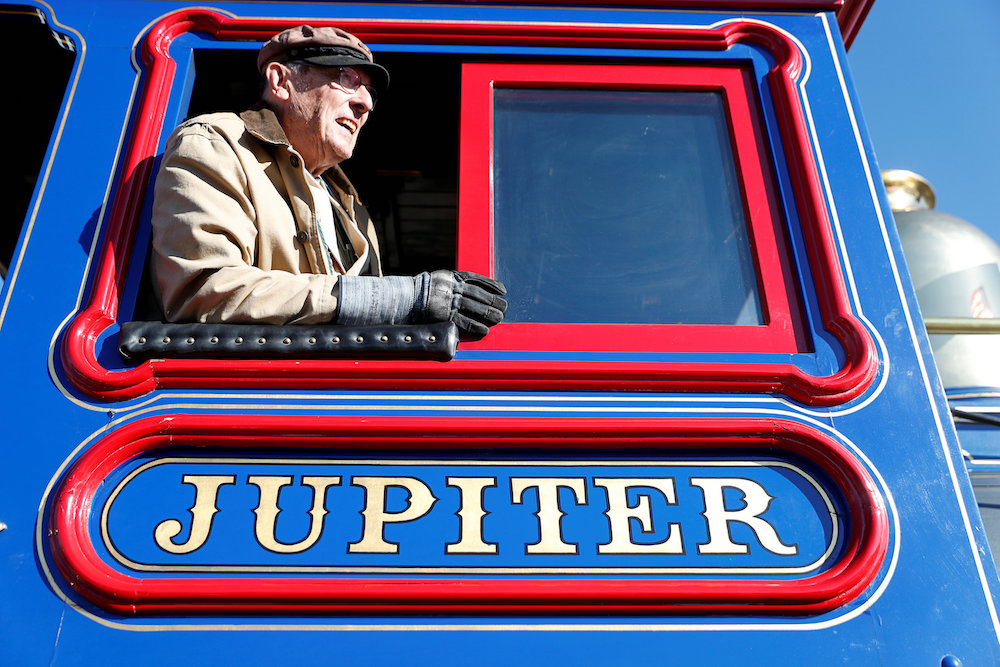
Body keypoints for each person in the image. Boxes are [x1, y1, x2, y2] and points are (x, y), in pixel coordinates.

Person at [150, 25, 506, 337]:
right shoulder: (218, 144)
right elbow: (201, 291)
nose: (365, 103)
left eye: (369, 91)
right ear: (281, 81)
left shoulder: (352, 208)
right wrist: (398, 297)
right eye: (347, 78)